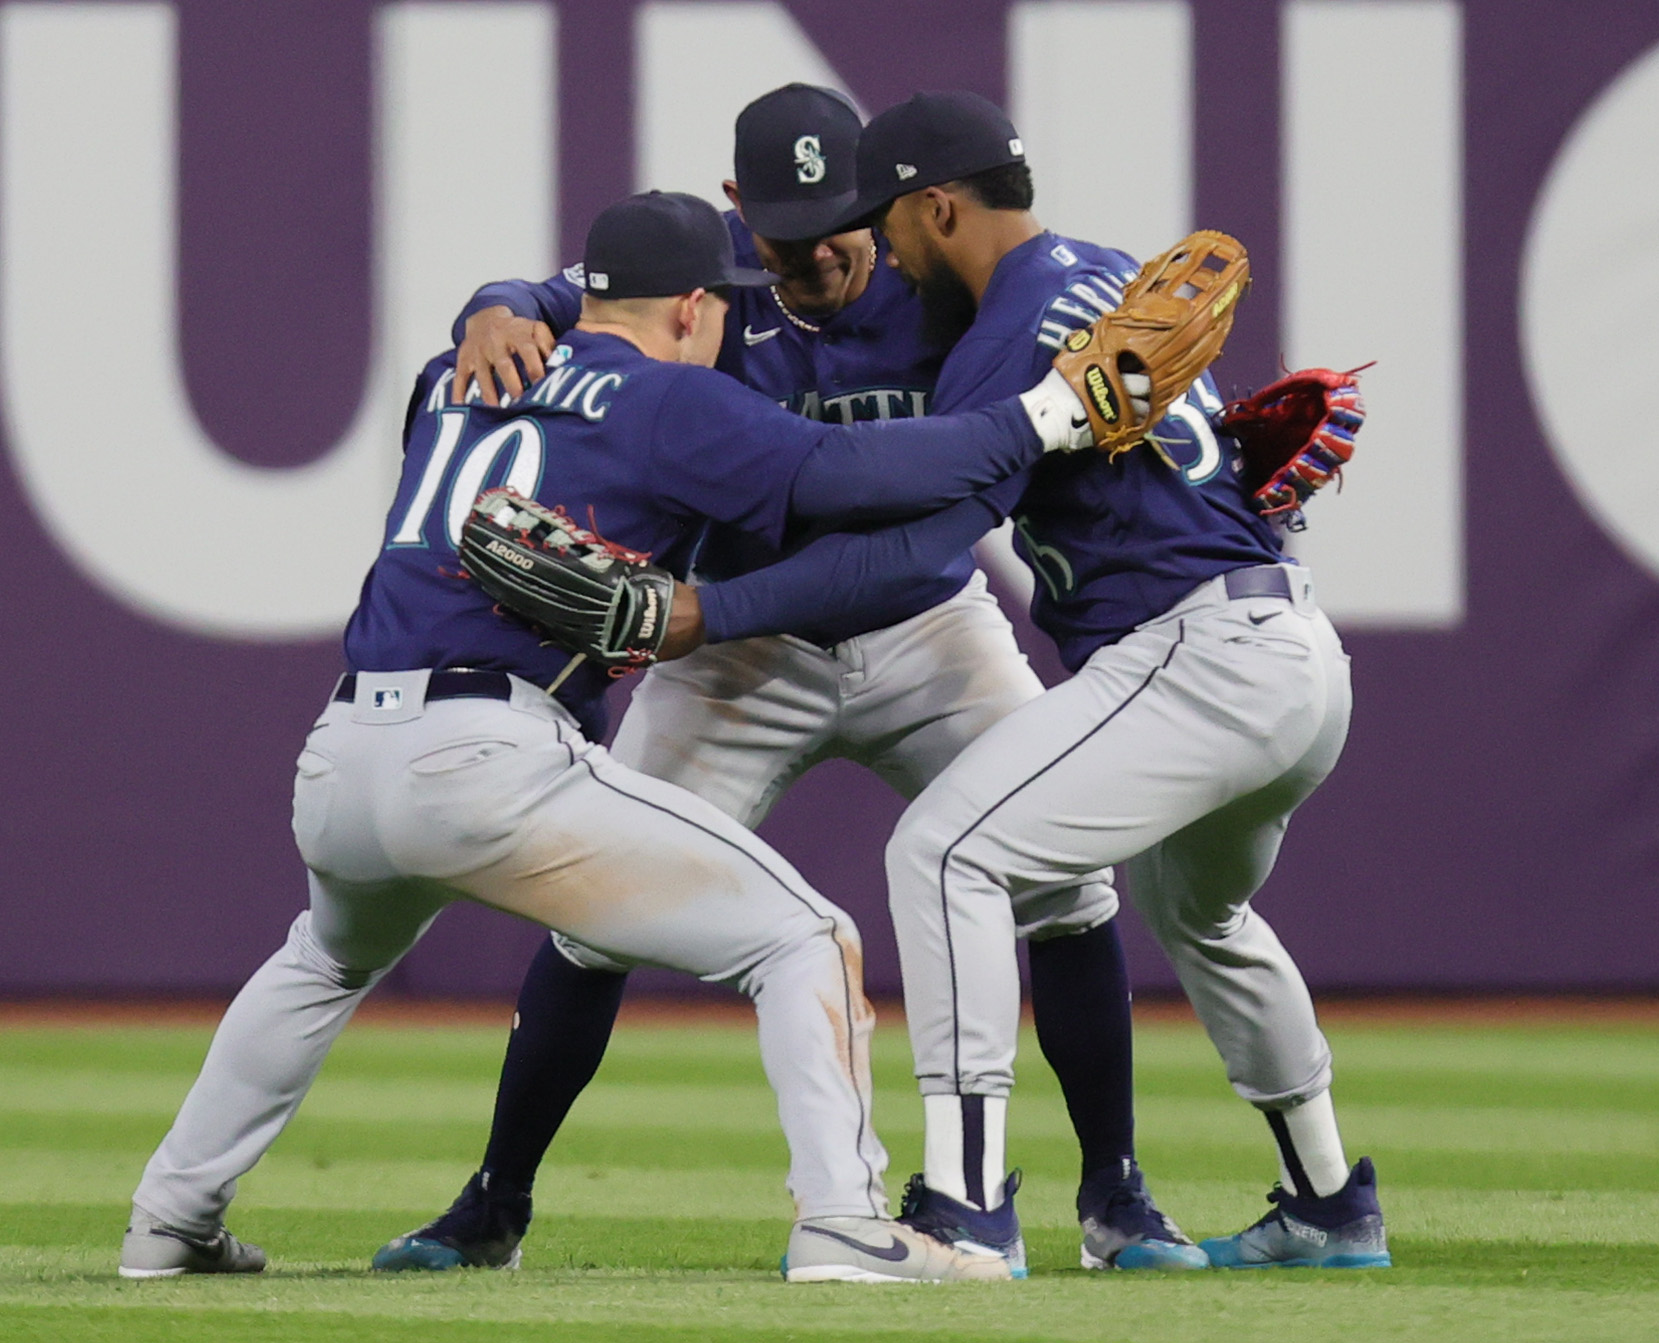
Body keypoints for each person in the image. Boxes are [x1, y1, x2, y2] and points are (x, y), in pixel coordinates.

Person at [116, 187, 1103, 1284]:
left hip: (345, 750)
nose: (732, 324)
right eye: (724, 306)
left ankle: (169, 1218)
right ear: (690, 307)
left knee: (322, 957)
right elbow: (855, 477)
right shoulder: (665, 400)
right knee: (806, 940)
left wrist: (492, 301)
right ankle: (841, 1219)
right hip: (485, 752)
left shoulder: (455, 374)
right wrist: (1043, 419)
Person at [376, 84, 1200, 1278]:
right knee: (590, 917)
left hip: (926, 630)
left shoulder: (937, 283)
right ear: (732, 219)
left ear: (883, 207)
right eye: (784, 231)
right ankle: (494, 1200)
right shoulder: (713, 287)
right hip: (735, 661)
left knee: (1066, 882)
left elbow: (1073, 347)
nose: (817, 252)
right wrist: (493, 303)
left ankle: (1118, 1193)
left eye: (840, 225)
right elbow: (565, 294)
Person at [682, 90, 1391, 1271]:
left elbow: (915, 545)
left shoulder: (1011, 333)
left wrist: (719, 607)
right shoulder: (1107, 272)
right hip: (1299, 650)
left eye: (890, 222)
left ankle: (965, 1203)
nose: (886, 252)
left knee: (946, 851)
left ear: (938, 206)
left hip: (1193, 658)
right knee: (1200, 910)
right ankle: (1327, 1198)